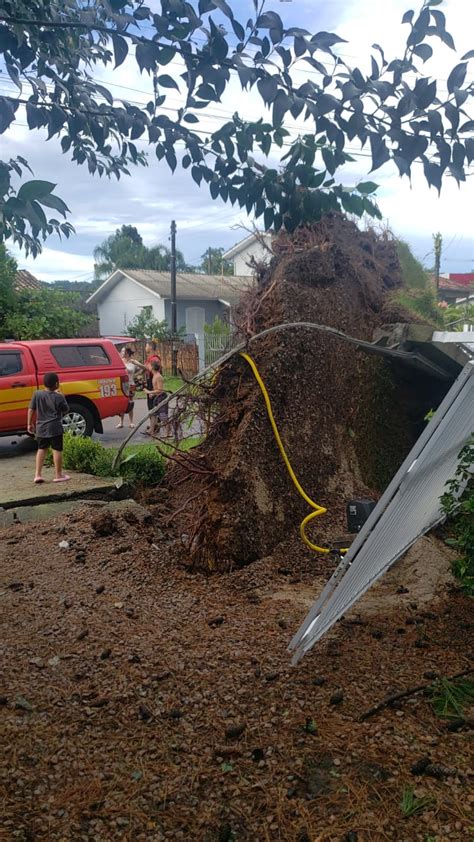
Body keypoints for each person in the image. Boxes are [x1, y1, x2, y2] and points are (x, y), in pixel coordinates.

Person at [27, 372, 70, 484]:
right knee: (57, 450)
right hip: (55, 427)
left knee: (41, 449)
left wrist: (29, 423)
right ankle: (58, 475)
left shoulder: (37, 394)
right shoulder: (58, 397)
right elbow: (65, 409)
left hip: (41, 427)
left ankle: (37, 475)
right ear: (56, 384)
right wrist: (62, 397)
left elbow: (31, 409)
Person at [116, 347, 147, 429]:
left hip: (131, 384)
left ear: (127, 353)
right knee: (121, 403)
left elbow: (144, 368)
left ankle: (131, 422)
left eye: (124, 351)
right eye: (121, 351)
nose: (122, 353)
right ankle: (121, 422)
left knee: (130, 402)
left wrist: (137, 375)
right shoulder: (120, 361)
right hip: (121, 384)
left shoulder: (133, 362)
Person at [145, 361, 169, 438]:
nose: (148, 366)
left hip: (161, 398)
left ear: (152, 367)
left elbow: (160, 390)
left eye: (149, 365)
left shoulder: (158, 376)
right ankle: (151, 430)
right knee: (153, 414)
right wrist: (152, 394)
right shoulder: (154, 376)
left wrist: (149, 392)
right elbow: (156, 389)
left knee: (163, 416)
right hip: (157, 398)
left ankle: (167, 432)